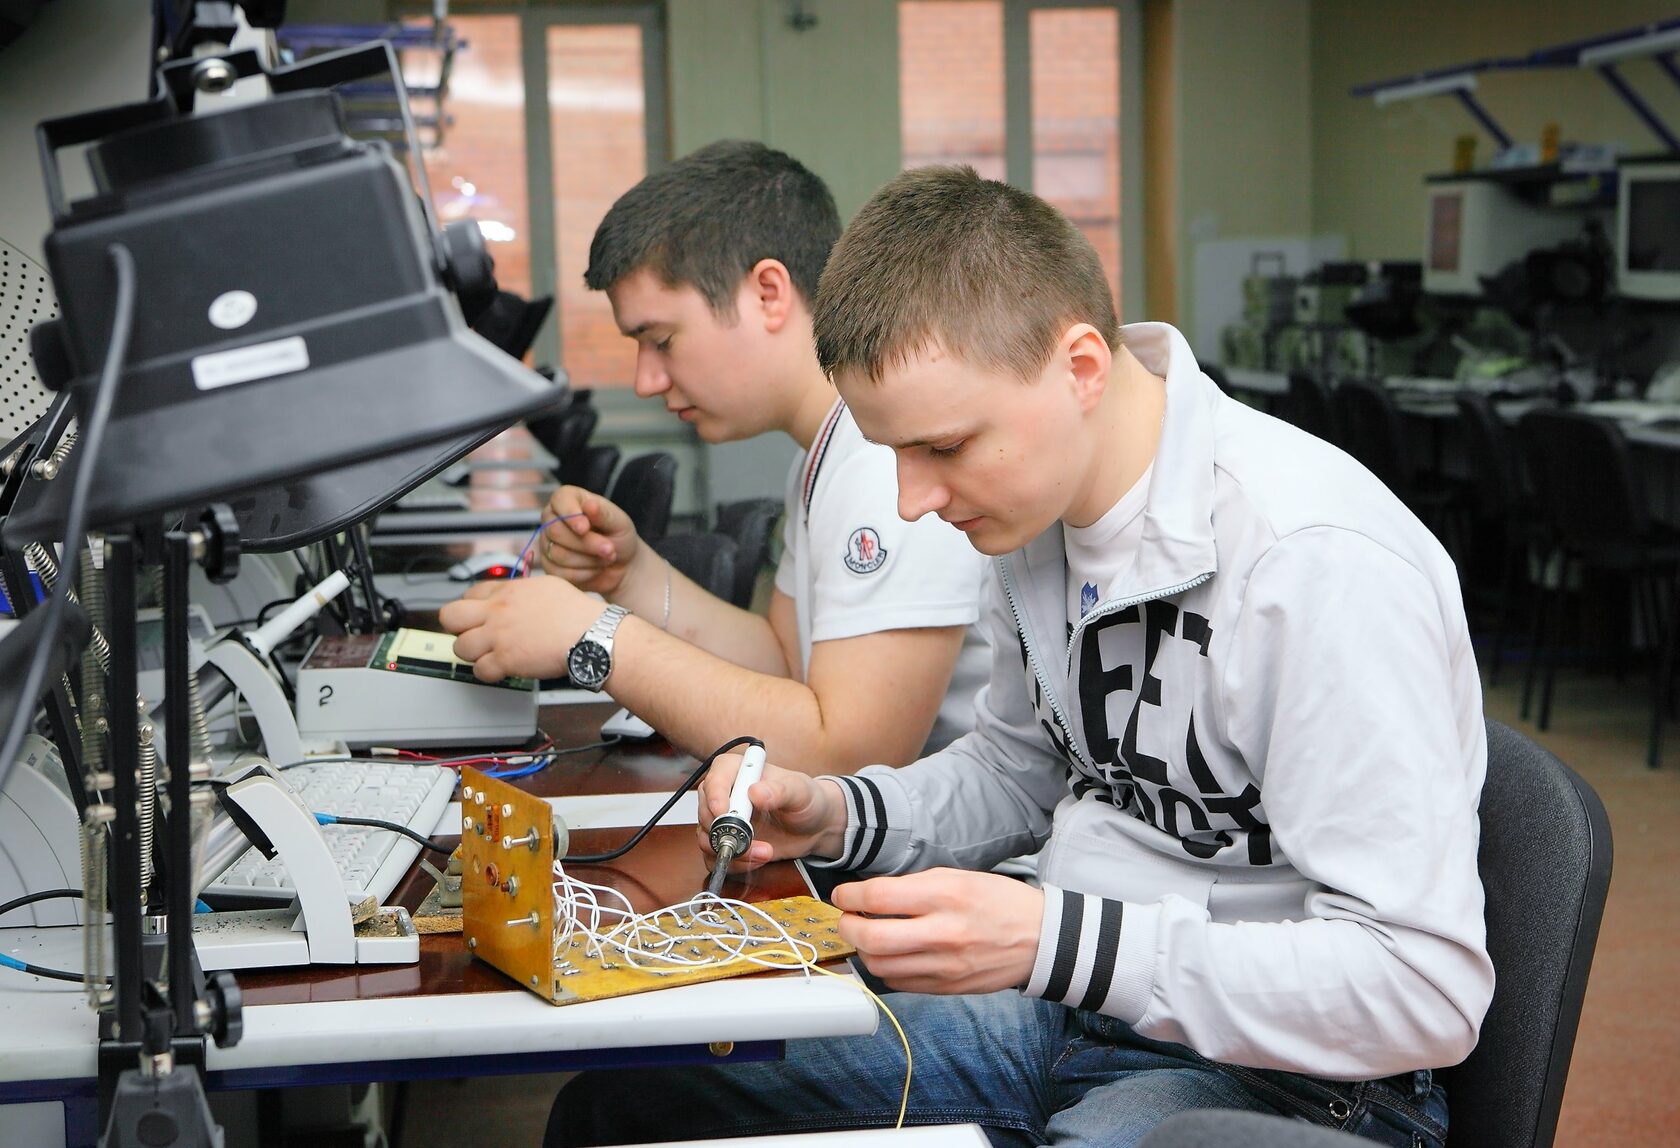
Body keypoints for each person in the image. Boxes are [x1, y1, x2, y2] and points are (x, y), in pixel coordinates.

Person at [546, 166, 1493, 1147]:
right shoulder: (1040, 517)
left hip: (1277, 1080)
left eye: (944, 447)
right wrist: (842, 810)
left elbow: (1423, 987)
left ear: (1080, 365)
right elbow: (1013, 770)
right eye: (895, 453)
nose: (914, 499)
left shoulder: (1314, 561)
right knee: (622, 1103)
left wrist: (1055, 939)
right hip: (1076, 1000)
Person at [440, 142, 990, 771]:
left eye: (662, 340)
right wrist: (630, 578)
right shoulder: (825, 455)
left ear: (768, 294)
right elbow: (785, 661)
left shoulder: (884, 464)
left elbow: (848, 754)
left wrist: (592, 637)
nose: (646, 380)